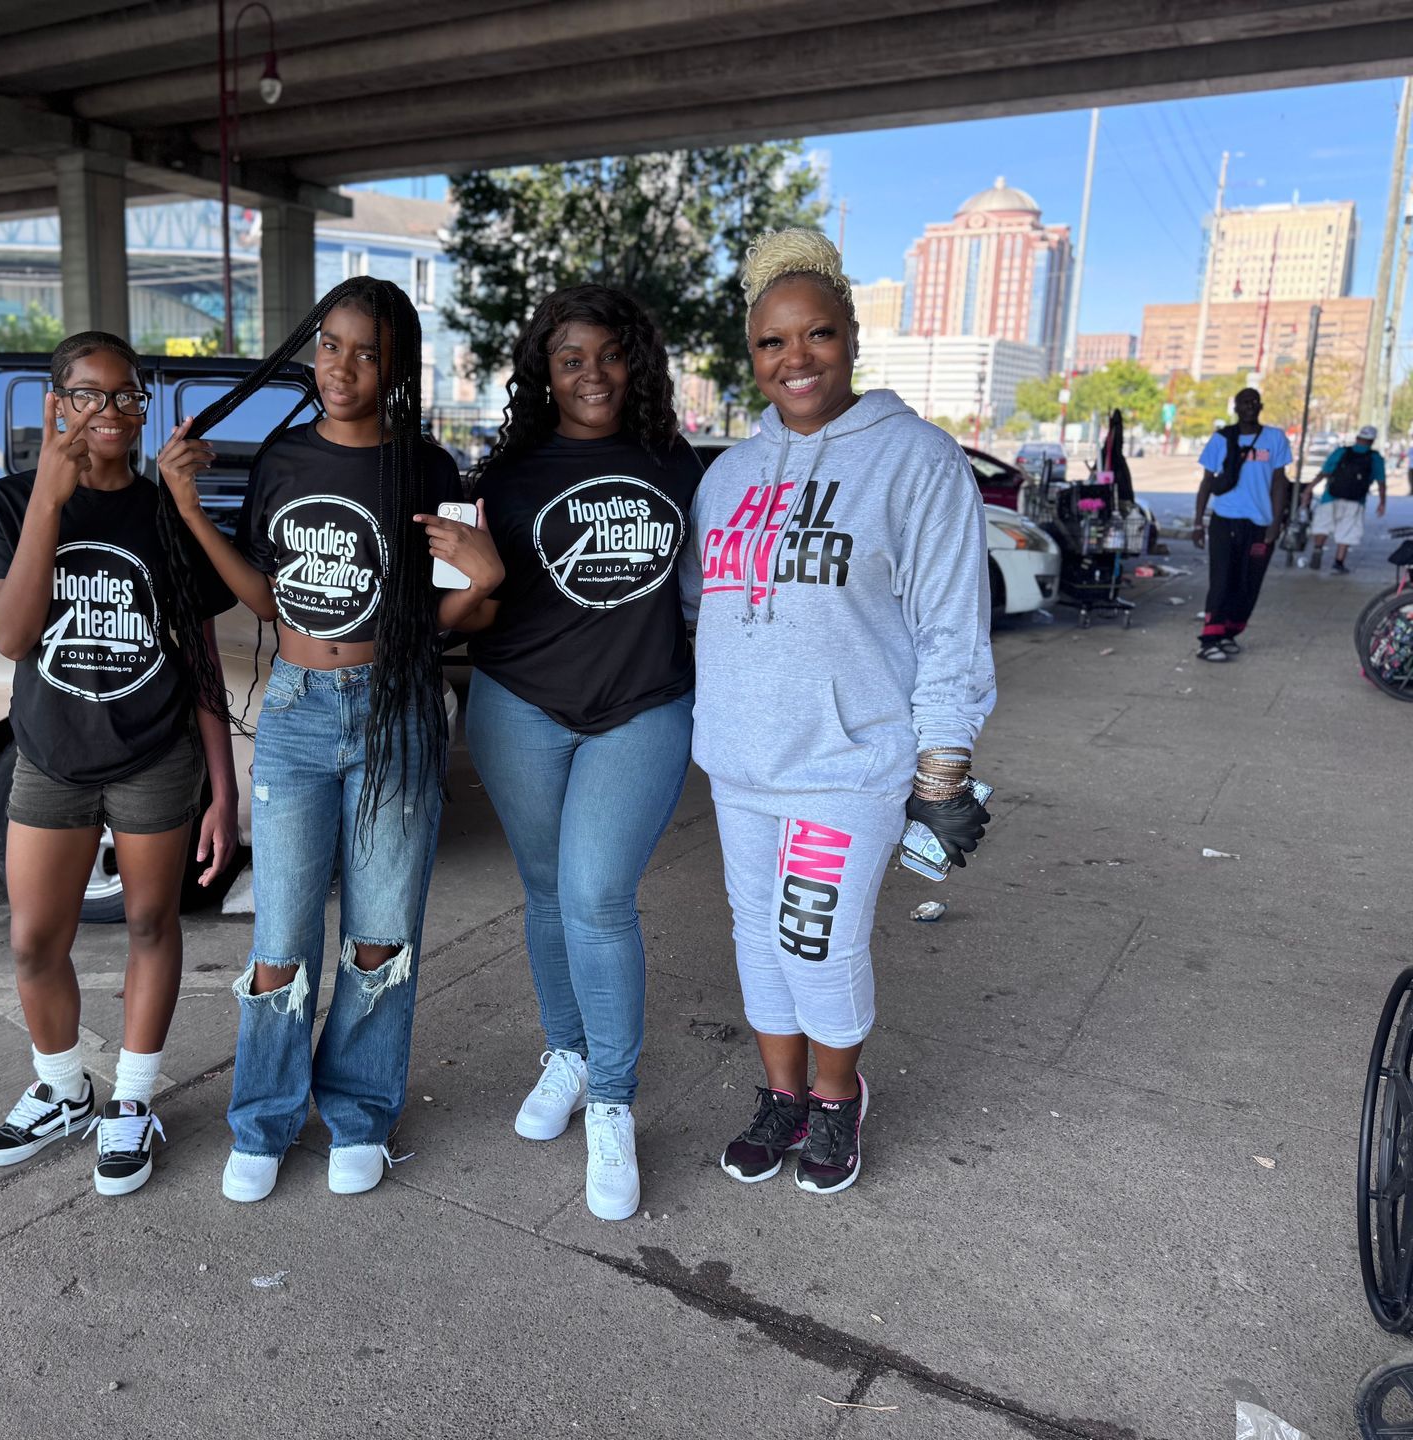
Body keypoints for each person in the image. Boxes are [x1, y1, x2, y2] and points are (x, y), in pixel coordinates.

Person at [158, 277, 501, 1203]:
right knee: (281, 937)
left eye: (366, 352)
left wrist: (487, 577)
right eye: (331, 345)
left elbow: (452, 613)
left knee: (382, 935)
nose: (342, 367)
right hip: (301, 711)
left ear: (395, 369)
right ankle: (263, 1119)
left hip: (395, 711)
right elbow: (267, 598)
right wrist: (191, 510)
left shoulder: (427, 469)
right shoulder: (282, 461)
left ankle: (359, 1113)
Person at [682, 229, 995, 1196]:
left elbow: (951, 628)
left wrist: (942, 771)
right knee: (756, 937)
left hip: (848, 760)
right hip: (741, 761)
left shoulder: (918, 462)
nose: (796, 360)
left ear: (852, 336)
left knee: (815, 941)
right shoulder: (728, 476)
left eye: (817, 335)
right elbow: (703, 607)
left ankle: (835, 1098)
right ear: (752, 355)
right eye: (773, 344)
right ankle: (780, 1096)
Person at [0, 331, 239, 1197]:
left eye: (125, 396)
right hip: (51, 757)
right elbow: (10, 635)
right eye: (87, 395)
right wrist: (50, 499)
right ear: (56, 404)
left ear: (142, 407)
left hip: (156, 756)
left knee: (154, 925)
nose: (108, 412)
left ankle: (131, 1103)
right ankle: (64, 1089)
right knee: (35, 940)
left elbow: (198, 654)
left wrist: (222, 790)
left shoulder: (165, 511)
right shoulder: (8, 504)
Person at [453, 285, 700, 1222]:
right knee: (548, 889)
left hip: (640, 709)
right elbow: (470, 602)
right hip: (519, 705)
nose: (590, 373)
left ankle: (612, 1105)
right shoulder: (506, 473)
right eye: (569, 358)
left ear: (634, 361)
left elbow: (712, 591)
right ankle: (567, 1051)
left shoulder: (678, 466)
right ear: (543, 373)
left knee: (598, 895)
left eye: (607, 354)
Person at [1192, 389, 1292, 662]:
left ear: (1261, 406)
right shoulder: (1222, 438)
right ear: (1235, 407)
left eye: (1254, 401)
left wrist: (1275, 521)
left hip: (1259, 523)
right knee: (1222, 580)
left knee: (1248, 583)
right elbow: (1207, 482)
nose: (1250, 406)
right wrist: (1198, 522)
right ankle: (1209, 639)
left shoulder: (1275, 438)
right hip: (1225, 520)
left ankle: (1228, 633)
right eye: (1244, 402)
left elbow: (1279, 482)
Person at [1307, 424, 1388, 574]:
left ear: (1358, 438)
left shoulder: (1341, 451)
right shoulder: (1375, 458)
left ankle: (1318, 549)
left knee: (1323, 525)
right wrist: (1382, 502)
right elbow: (1381, 482)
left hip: (1330, 497)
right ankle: (1338, 563)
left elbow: (1324, 472)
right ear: (1372, 441)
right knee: (1347, 530)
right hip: (1356, 501)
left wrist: (1308, 489)